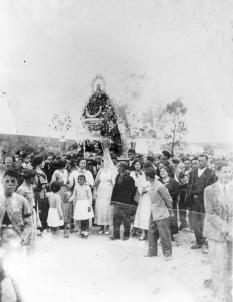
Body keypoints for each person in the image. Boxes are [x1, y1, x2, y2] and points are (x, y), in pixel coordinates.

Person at [203, 161, 232, 302]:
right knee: (218, 264)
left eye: (230, 171)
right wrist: (226, 229)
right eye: (225, 171)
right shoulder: (209, 190)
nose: (228, 174)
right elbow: (210, 213)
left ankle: (227, 292)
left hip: (232, 234)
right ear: (217, 173)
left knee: (230, 264)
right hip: (216, 233)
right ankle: (219, 293)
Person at [187, 154, 216, 249]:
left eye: (203, 161)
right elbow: (189, 187)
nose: (200, 163)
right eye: (199, 161)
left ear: (207, 162)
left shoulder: (211, 173)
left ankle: (206, 242)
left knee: (204, 222)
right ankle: (198, 241)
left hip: (204, 201)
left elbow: (213, 189)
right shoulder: (192, 172)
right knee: (194, 222)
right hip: (193, 201)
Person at [145, 168, 173, 260]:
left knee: (164, 235)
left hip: (162, 214)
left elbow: (168, 199)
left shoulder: (160, 186)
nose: (145, 177)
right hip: (153, 213)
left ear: (148, 176)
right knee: (151, 233)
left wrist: (170, 211)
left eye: (146, 175)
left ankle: (168, 254)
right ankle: (152, 252)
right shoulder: (151, 184)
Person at [111, 161, 137, 240]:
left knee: (126, 219)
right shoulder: (117, 176)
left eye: (119, 167)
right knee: (116, 218)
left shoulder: (130, 178)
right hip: (117, 201)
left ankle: (126, 235)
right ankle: (116, 235)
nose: (118, 168)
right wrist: (113, 199)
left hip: (126, 202)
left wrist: (127, 198)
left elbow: (133, 190)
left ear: (123, 168)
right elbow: (115, 188)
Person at [94, 150, 117, 235]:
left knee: (107, 209)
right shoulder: (101, 171)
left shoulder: (112, 172)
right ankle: (101, 226)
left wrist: (113, 195)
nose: (105, 163)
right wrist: (96, 187)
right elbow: (96, 182)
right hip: (101, 192)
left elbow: (114, 184)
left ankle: (107, 227)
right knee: (100, 208)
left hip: (108, 192)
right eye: (103, 162)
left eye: (107, 162)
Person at [17, 169, 37, 252]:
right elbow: (18, 207)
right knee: (24, 238)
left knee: (32, 237)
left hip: (31, 214)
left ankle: (31, 257)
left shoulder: (30, 187)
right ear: (29, 178)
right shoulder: (22, 190)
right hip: (25, 217)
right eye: (34, 178)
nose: (35, 180)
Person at [51, 159, 71, 238]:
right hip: (58, 191)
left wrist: (68, 185)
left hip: (65, 191)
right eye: (65, 163)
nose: (66, 165)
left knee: (66, 209)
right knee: (58, 209)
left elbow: (68, 181)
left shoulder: (66, 171)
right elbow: (52, 183)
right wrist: (60, 183)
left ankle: (66, 230)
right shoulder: (56, 172)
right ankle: (57, 228)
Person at [132, 160, 151, 240]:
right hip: (143, 198)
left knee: (149, 215)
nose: (146, 170)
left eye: (148, 168)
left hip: (150, 198)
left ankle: (150, 233)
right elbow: (140, 187)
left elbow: (152, 186)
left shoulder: (153, 177)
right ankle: (143, 233)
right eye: (145, 168)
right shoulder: (141, 177)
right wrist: (143, 189)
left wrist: (147, 188)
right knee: (143, 214)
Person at [70, 174, 94, 239]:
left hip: (86, 204)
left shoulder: (87, 187)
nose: (81, 181)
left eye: (83, 179)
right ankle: (82, 231)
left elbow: (90, 197)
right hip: (79, 204)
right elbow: (74, 195)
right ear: (78, 180)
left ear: (85, 180)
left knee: (86, 219)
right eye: (80, 179)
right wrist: (69, 200)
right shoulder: (76, 187)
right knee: (81, 218)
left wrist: (89, 205)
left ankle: (85, 232)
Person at [160, 167, 180, 240]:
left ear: (167, 172)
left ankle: (171, 235)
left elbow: (177, 192)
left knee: (171, 219)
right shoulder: (158, 181)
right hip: (161, 204)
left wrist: (168, 194)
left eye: (163, 171)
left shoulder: (173, 182)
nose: (162, 172)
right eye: (160, 171)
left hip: (171, 203)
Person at [33, 156, 49, 233]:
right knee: (39, 210)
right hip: (38, 194)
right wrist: (45, 185)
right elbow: (38, 185)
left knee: (44, 210)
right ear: (39, 163)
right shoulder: (35, 172)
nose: (44, 163)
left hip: (43, 193)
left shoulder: (41, 171)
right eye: (43, 161)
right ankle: (40, 228)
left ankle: (43, 227)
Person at [178, 159, 191, 229]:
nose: (186, 164)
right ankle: (183, 223)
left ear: (190, 164)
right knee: (181, 208)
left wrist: (186, 181)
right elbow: (181, 181)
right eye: (185, 163)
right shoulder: (181, 172)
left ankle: (192, 225)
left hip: (189, 192)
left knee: (190, 208)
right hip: (182, 191)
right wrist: (185, 181)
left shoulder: (192, 172)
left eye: (188, 163)